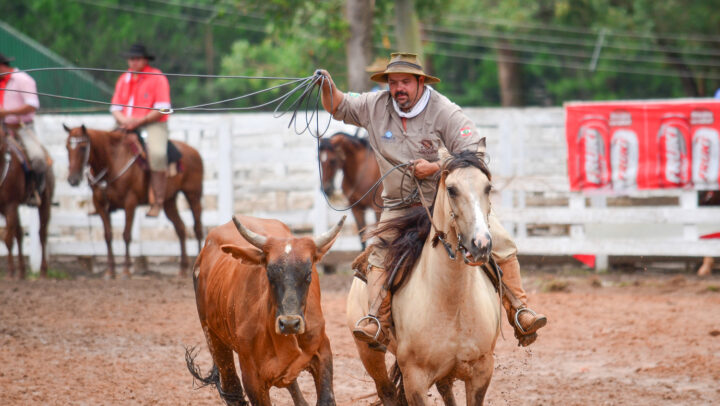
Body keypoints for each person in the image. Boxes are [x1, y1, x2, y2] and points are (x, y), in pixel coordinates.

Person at [317, 52, 547, 347]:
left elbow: (474, 152)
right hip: (398, 206)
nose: (398, 88)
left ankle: (520, 311)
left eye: (405, 82)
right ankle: (377, 319)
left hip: (445, 204)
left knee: (497, 240)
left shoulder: (445, 111)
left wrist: (436, 168)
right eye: (393, 82)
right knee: (377, 252)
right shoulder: (374, 105)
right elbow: (337, 104)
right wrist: (326, 84)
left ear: (420, 82)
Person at [110, 43, 172, 217]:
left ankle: (158, 201)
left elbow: (163, 109)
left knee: (158, 154)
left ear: (145, 60)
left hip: (152, 123)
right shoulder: (124, 79)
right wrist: (125, 121)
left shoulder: (157, 77)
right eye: (131, 59)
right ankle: (103, 196)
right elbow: (115, 108)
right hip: (126, 123)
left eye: (137, 58)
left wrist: (138, 121)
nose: (133, 62)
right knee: (101, 146)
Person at [0, 52, 46, 206]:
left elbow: (32, 105)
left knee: (38, 157)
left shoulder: (22, 79)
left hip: (21, 128)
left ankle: (35, 190)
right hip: (1, 128)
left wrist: (7, 112)